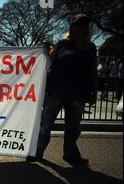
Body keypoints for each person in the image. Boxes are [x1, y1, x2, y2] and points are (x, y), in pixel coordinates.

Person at [33, 14, 98, 166]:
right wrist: (46, 48)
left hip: (78, 93)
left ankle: (71, 154)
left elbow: (93, 71)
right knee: (45, 124)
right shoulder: (62, 44)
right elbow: (50, 60)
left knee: (73, 128)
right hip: (57, 91)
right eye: (77, 25)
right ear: (71, 27)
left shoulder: (91, 48)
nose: (80, 28)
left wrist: (93, 91)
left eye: (84, 26)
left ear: (87, 29)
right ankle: (37, 152)